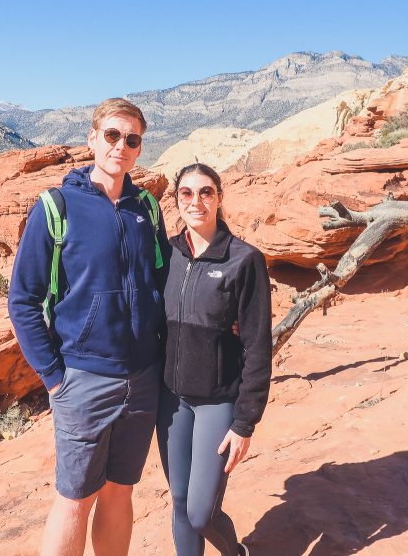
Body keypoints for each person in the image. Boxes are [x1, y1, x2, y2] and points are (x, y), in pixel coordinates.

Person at [8, 97, 169, 556]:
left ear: (139, 149)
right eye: (113, 135)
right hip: (82, 380)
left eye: (132, 139)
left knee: (120, 490)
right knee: (75, 499)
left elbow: (163, 281)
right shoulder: (56, 206)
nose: (122, 146)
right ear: (93, 139)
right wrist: (55, 378)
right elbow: (23, 299)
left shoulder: (145, 209)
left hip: (141, 378)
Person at [157, 163, 272, 556]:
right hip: (171, 400)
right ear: (176, 200)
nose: (196, 201)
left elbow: (258, 346)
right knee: (178, 501)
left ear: (219, 197)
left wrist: (245, 422)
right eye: (186, 193)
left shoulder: (243, 260)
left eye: (206, 192)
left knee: (201, 512)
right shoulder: (167, 254)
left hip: (218, 401)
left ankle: (234, 552)